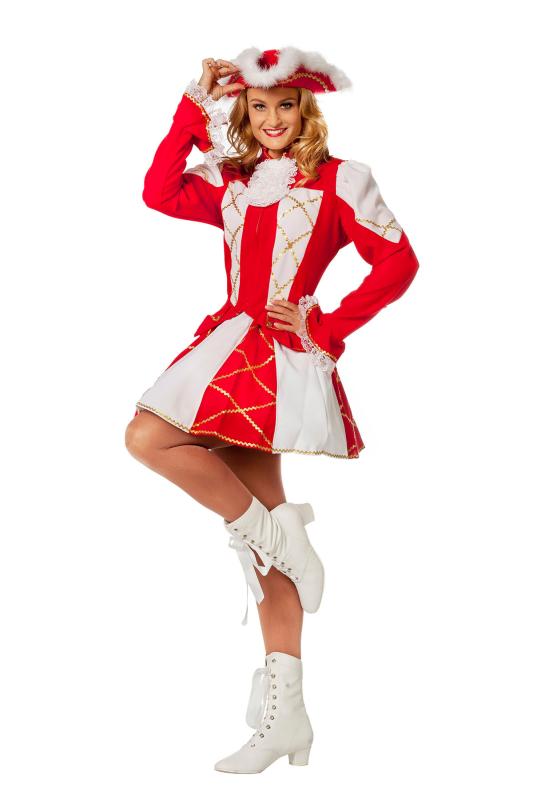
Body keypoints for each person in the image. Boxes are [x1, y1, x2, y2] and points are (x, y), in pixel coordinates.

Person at [125, 46, 420, 773]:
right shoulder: (232, 178)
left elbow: (398, 261)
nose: (273, 118)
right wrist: (193, 105)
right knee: (155, 443)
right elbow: (158, 191)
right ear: (246, 112)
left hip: (278, 356)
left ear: (305, 109)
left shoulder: (339, 180)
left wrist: (328, 325)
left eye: (285, 105)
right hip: (226, 343)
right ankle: (282, 560)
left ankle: (285, 682)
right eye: (259, 106)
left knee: (155, 445)